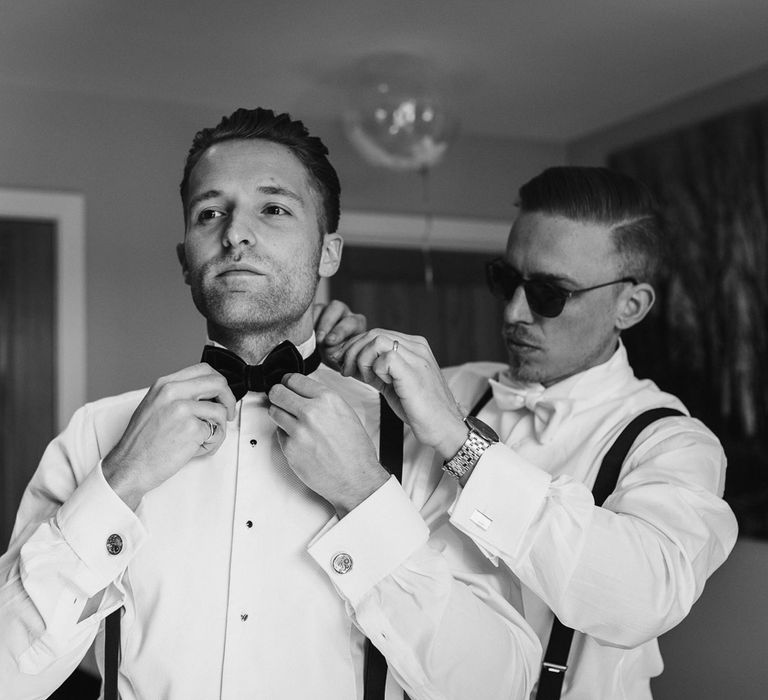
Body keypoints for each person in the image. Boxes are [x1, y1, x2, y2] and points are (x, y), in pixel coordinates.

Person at [0, 108, 541, 699]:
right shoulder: (99, 435)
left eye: (274, 208)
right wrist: (120, 483)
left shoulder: (416, 441)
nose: (236, 232)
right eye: (211, 213)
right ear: (186, 259)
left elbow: (500, 685)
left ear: (328, 252)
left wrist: (365, 495)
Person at [326, 166, 739, 699]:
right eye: (506, 280)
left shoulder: (673, 443)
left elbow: (641, 598)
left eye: (549, 293)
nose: (515, 312)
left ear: (629, 306)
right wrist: (332, 357)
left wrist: (462, 443)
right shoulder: (452, 384)